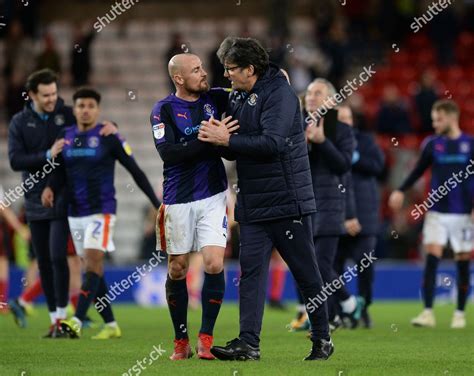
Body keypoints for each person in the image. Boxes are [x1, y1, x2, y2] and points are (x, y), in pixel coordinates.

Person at [198, 36, 333, 361]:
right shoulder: (241, 96)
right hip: (255, 202)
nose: (227, 75)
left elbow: (272, 143)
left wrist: (229, 138)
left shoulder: (281, 94)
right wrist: (219, 140)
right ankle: (248, 344)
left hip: (289, 201)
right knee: (251, 274)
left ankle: (322, 339)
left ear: (250, 68)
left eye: (231, 69)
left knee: (306, 274)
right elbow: (237, 146)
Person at [42, 87, 160, 339]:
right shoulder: (67, 136)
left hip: (102, 210)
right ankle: (111, 324)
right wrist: (50, 187)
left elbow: (135, 171)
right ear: (74, 110)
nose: (85, 110)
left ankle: (75, 320)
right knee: (93, 269)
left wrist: (155, 202)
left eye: (90, 106)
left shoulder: (108, 136)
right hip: (75, 212)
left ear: (98, 109)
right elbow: (60, 171)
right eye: (81, 106)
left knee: (93, 263)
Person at [8, 69, 117, 337]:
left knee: (60, 256)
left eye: (54, 93)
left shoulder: (66, 114)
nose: (51, 99)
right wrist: (46, 154)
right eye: (45, 95)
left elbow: (90, 124)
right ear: (32, 94)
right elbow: (15, 161)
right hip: (34, 199)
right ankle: (57, 319)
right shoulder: (19, 123)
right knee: (44, 260)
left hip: (62, 196)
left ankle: (70, 319)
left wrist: (110, 127)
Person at [150, 54, 237, 360]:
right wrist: (210, 140)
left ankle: (206, 338)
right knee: (177, 268)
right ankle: (180, 340)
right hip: (178, 199)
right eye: (196, 70)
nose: (204, 73)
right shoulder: (163, 110)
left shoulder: (216, 98)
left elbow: (247, 96)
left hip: (213, 194)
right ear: (178, 78)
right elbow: (170, 154)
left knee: (214, 263)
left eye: (202, 67)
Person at [389, 99, 473, 329]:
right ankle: (427, 312)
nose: (434, 124)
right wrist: (400, 189)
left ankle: (459, 313)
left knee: (463, 262)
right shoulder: (432, 144)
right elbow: (418, 171)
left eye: (438, 119)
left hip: (464, 213)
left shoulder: (470, 144)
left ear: (451, 117)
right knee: (431, 258)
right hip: (437, 211)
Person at [303, 79, 364, 330]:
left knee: (320, 265)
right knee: (310, 266)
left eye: (318, 93)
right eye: (308, 93)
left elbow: (344, 165)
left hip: (329, 206)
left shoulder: (341, 129)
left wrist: (321, 142)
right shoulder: (297, 126)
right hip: (305, 205)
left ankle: (347, 304)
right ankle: (334, 315)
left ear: (330, 100)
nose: (311, 97)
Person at [335, 105, 385, 328]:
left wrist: (354, 158)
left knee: (365, 265)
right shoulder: (327, 142)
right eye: (340, 119)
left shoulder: (365, 141)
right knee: (332, 265)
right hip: (336, 212)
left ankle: (364, 308)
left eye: (347, 118)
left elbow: (378, 166)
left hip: (365, 213)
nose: (344, 123)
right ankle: (342, 309)